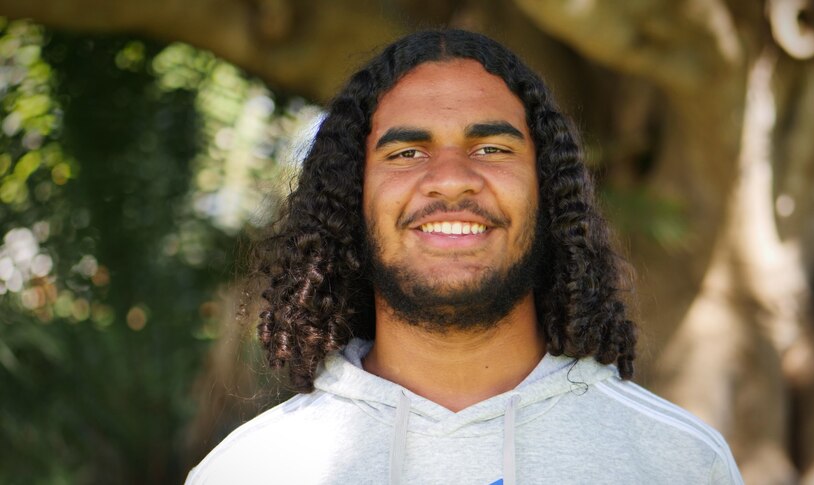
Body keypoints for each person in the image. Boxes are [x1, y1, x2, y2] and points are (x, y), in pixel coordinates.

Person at [186, 29, 742, 484]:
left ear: (547, 193)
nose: (451, 179)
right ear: (351, 201)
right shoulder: (251, 470)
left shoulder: (680, 463)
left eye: (492, 149)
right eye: (407, 152)